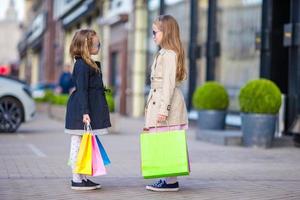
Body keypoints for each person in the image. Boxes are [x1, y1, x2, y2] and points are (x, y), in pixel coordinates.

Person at [144, 15, 189, 192]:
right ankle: (168, 179)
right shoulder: (163, 53)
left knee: (167, 140)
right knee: (164, 141)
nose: (153, 35)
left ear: (166, 32)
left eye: (155, 32)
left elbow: (168, 84)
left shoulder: (169, 55)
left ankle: (170, 181)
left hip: (165, 102)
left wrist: (163, 109)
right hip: (159, 99)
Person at [65, 29, 111, 190]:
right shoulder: (82, 65)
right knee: (77, 143)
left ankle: (82, 177)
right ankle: (76, 179)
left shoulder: (87, 63)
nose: (99, 46)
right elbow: (82, 89)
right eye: (97, 43)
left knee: (83, 144)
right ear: (87, 45)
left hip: (83, 109)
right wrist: (85, 112)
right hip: (80, 111)